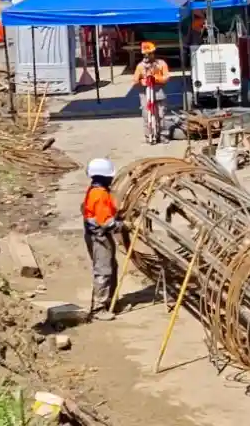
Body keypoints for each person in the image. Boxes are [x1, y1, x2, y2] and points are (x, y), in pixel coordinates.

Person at [82, 158, 124, 321]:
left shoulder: (95, 190)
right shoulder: (99, 194)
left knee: (111, 266)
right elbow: (107, 222)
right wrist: (123, 225)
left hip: (98, 235)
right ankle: (99, 308)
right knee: (104, 270)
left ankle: (110, 301)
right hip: (99, 237)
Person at [133, 42, 170, 144]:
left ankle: (162, 135)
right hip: (145, 94)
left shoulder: (161, 64)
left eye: (149, 53)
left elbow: (166, 77)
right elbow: (135, 80)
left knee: (161, 115)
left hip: (159, 92)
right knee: (147, 114)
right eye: (145, 54)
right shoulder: (140, 66)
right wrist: (141, 81)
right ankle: (149, 135)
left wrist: (156, 79)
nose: (147, 56)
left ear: (153, 53)